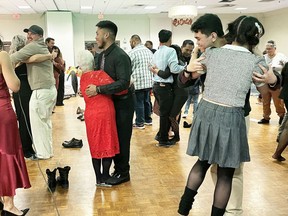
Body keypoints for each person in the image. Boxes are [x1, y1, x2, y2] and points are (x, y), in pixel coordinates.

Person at [177, 15, 267, 216]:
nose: (197, 43)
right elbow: (265, 88)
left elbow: (190, 77)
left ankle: (184, 208)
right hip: (231, 116)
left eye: (198, 39)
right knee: (226, 174)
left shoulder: (211, 54)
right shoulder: (255, 61)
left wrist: (188, 70)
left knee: (202, 162)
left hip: (206, 112)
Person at [85, 20, 134, 185]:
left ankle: (123, 172)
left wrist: (98, 89)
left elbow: (123, 83)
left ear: (106, 35)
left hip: (124, 103)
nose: (96, 37)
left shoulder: (120, 56)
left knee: (122, 137)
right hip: (109, 103)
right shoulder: (101, 56)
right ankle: (117, 169)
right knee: (112, 137)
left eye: (97, 34)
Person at [10, 25, 57, 160]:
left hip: (37, 90)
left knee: (37, 123)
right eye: (27, 34)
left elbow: (13, 58)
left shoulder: (33, 47)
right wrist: (47, 56)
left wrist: (41, 57)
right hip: (37, 90)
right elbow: (23, 59)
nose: (28, 36)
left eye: (31, 34)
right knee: (40, 122)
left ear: (38, 36)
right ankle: (40, 151)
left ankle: (41, 153)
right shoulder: (41, 49)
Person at [78, 50, 122, 186]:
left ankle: (98, 178)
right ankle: (106, 176)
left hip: (91, 115)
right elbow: (118, 88)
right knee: (107, 142)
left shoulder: (83, 78)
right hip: (105, 114)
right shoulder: (100, 75)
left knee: (95, 145)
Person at [0, 40, 30, 216]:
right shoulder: (2, 56)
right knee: (7, 154)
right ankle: (9, 205)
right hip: (2, 111)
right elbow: (15, 86)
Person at [151, 29, 185, 147]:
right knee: (166, 114)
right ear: (170, 39)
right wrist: (186, 67)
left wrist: (157, 71)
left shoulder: (156, 52)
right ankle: (163, 140)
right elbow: (174, 69)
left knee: (164, 113)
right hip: (164, 87)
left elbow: (154, 69)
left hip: (156, 86)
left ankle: (162, 136)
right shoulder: (170, 51)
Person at [258, 40, 287, 125]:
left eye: (270, 49)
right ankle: (265, 117)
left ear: (274, 48)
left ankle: (281, 116)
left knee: (277, 101)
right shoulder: (263, 57)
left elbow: (286, 67)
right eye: (267, 49)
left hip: (277, 83)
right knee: (265, 101)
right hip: (265, 83)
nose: (268, 51)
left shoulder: (281, 56)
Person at [128, 34, 153, 129]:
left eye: (130, 42)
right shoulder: (149, 52)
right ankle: (148, 120)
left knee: (138, 102)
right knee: (146, 101)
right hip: (148, 81)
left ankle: (139, 122)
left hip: (138, 82)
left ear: (134, 41)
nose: (130, 44)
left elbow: (128, 68)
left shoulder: (132, 53)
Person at [272, 62, 288, 161]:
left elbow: (283, 81)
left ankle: (277, 153)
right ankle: (277, 153)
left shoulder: (287, 65)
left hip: (286, 96)